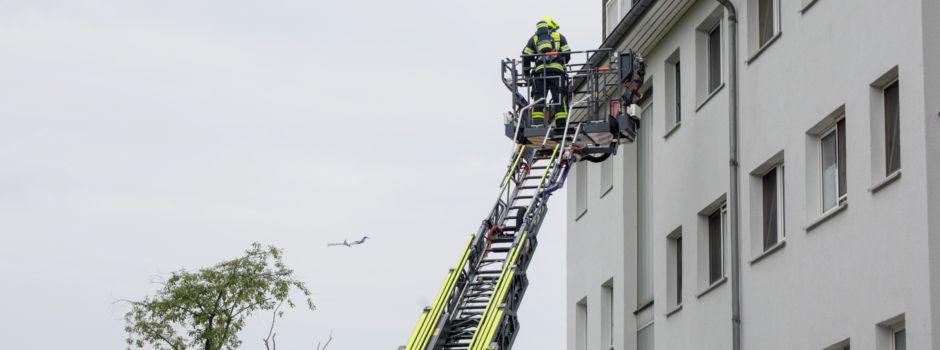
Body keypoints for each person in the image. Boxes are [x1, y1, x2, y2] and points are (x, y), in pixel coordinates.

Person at [522, 16, 571, 127]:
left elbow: (526, 57)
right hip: (557, 72)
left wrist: (526, 73)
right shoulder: (560, 37)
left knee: (539, 98)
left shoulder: (534, 39)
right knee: (558, 96)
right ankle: (561, 123)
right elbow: (567, 55)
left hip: (540, 73)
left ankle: (537, 123)